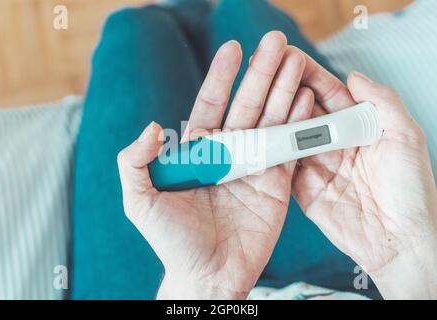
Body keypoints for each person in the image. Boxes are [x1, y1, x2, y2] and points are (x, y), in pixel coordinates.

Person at [73, 0, 436, 299]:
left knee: (134, 28)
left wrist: (206, 285)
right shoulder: (391, 251)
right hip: (357, 264)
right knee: (250, 15)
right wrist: (405, 255)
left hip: (174, 281)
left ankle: (183, 13)